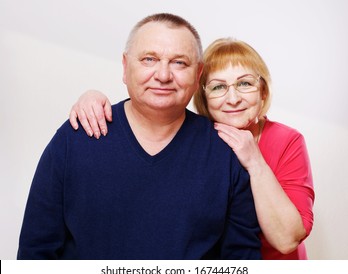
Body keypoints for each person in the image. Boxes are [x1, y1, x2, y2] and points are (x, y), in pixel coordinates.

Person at [17, 13, 261, 260]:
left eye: (179, 63)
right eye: (149, 59)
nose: (163, 75)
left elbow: (243, 261)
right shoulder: (76, 138)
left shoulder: (225, 152)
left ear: (198, 75)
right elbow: (35, 252)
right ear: (125, 67)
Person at [69, 38, 315, 260]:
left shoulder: (288, 140)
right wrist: (92, 97)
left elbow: (287, 240)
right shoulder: (196, 138)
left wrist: (255, 162)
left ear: (262, 91)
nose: (233, 99)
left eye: (245, 84)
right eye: (218, 87)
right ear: (203, 95)